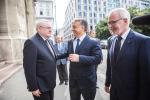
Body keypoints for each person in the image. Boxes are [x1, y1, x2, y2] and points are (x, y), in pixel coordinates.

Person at [104, 8, 150, 100]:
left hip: (132, 95)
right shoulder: (111, 40)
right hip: (114, 93)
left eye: (113, 22)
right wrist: (107, 82)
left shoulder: (143, 41)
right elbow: (110, 65)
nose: (110, 26)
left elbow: (146, 78)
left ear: (125, 21)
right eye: (109, 23)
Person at [58, 18, 102, 100]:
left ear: (83, 28)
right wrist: (54, 56)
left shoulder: (93, 42)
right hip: (73, 81)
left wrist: (80, 58)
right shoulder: (70, 42)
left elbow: (98, 58)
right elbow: (68, 54)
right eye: (72, 27)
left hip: (87, 81)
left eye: (74, 27)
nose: (72, 29)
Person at [23, 20, 57, 100]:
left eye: (51, 28)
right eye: (48, 28)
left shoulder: (49, 41)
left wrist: (69, 53)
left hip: (50, 84)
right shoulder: (31, 42)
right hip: (40, 87)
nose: (51, 30)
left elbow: (53, 57)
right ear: (39, 29)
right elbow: (29, 68)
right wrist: (33, 87)